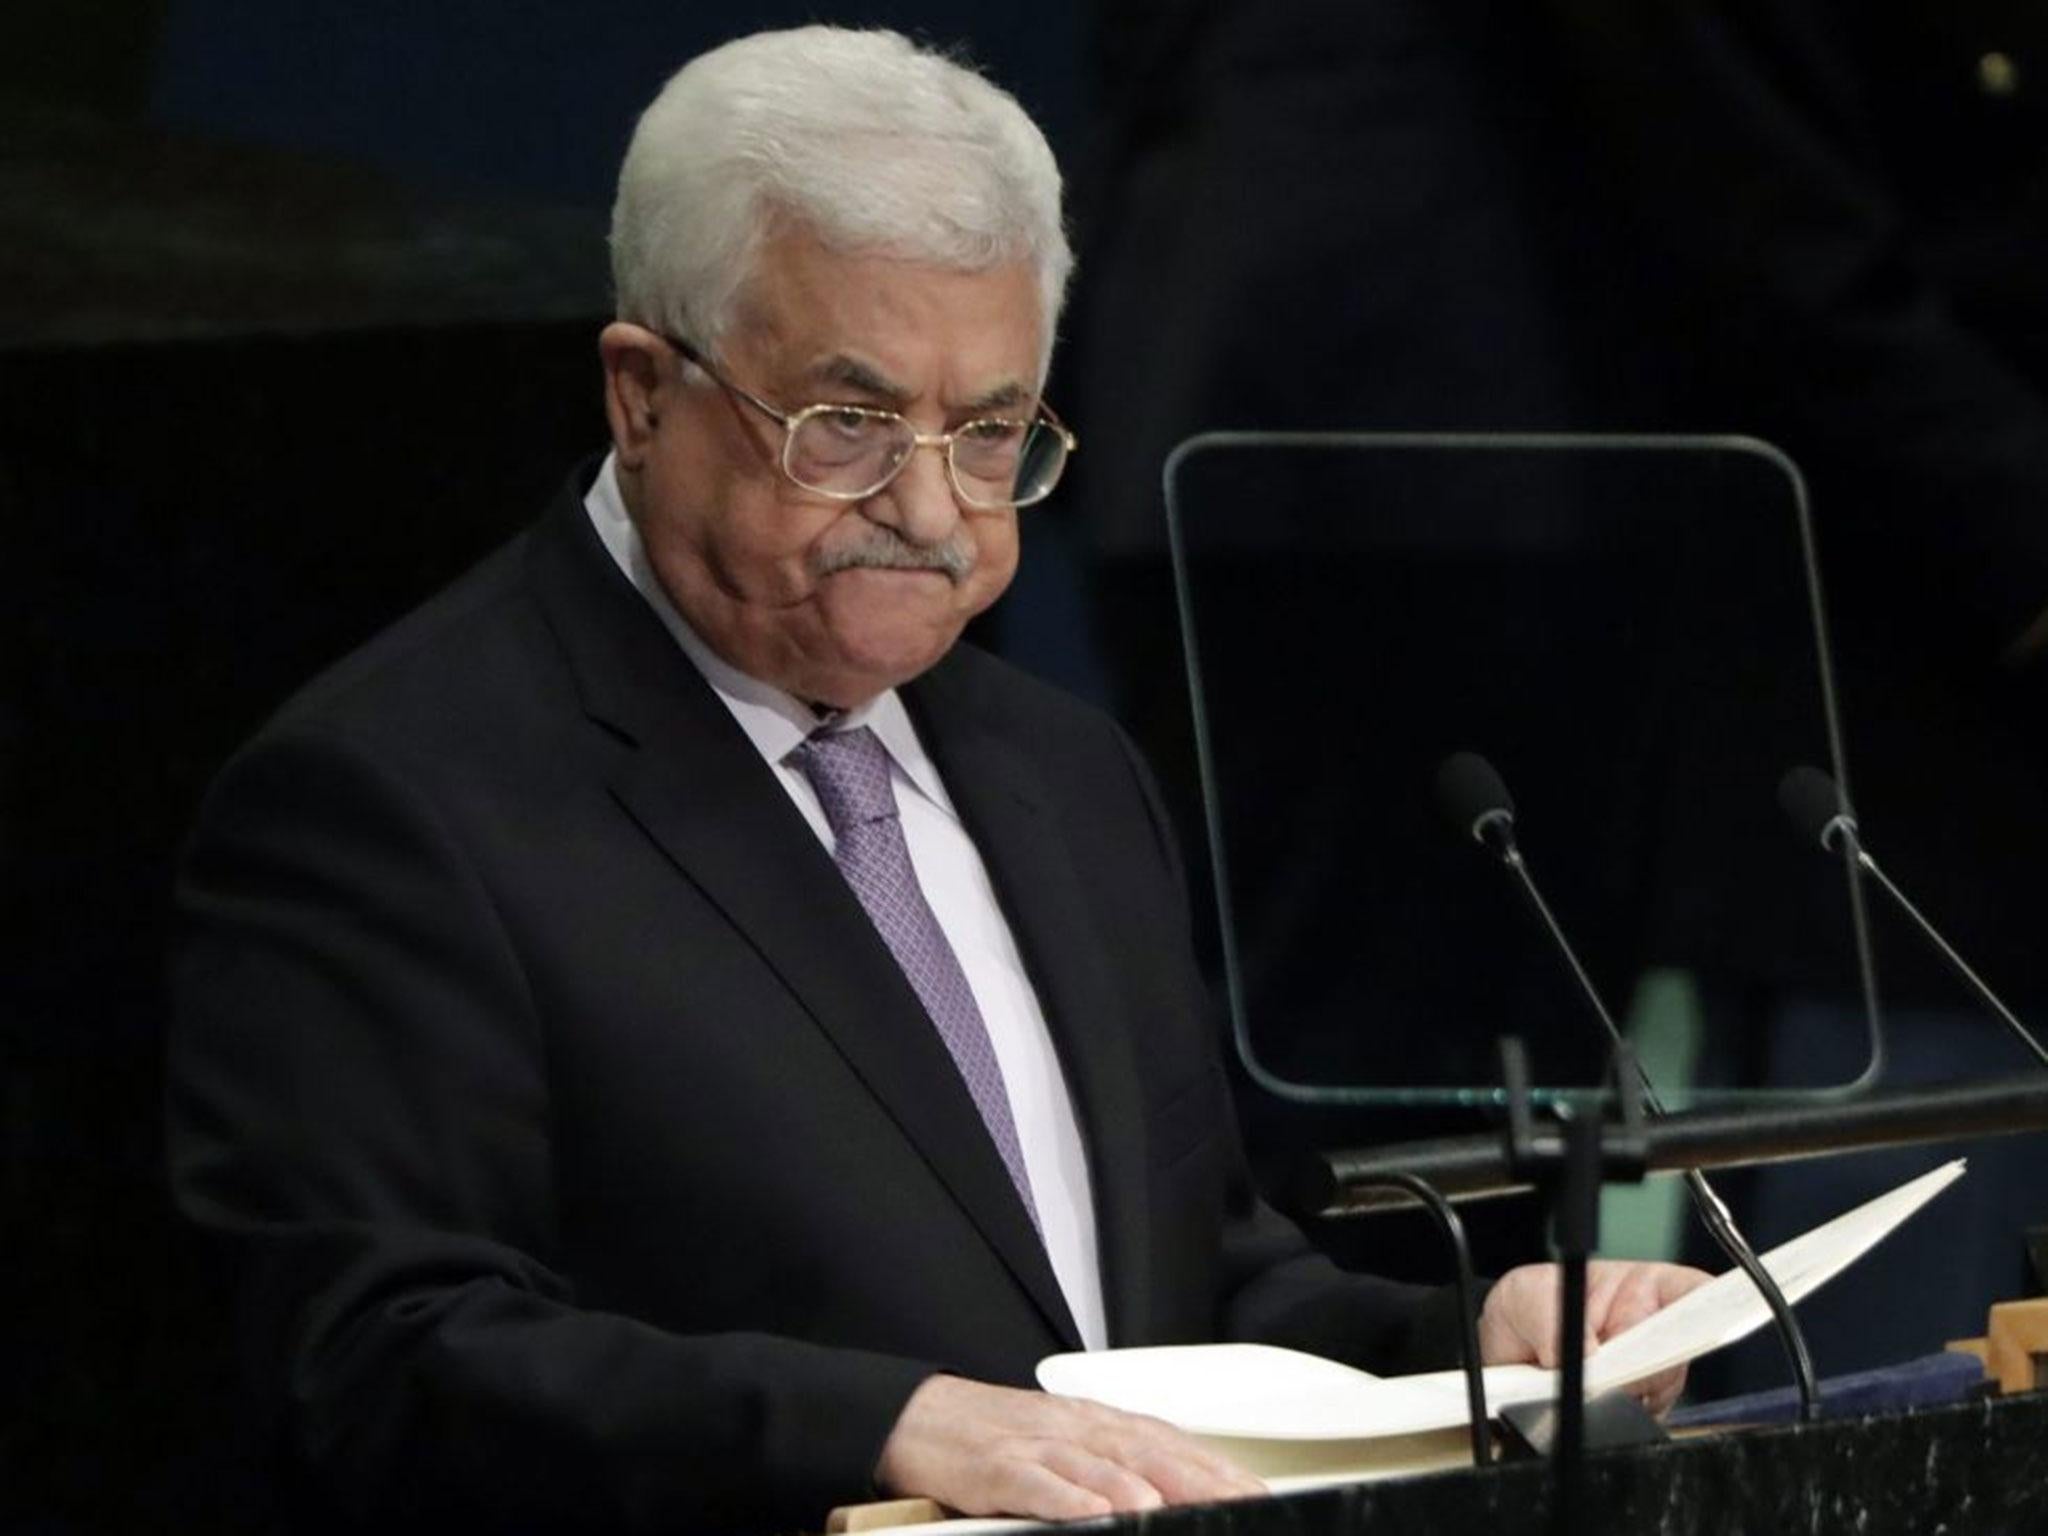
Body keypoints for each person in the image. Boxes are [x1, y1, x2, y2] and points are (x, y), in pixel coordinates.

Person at [166, 27, 1704, 1533]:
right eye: (847, 425)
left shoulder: (1060, 767)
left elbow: (1193, 1292)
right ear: (643, 395)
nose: (930, 511)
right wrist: (883, 1426)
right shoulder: (392, 802)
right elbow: (370, 1365)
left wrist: (1467, 1341)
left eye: (988, 434)